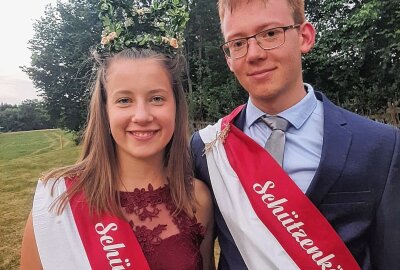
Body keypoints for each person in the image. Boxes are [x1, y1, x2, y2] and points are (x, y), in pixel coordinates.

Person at [190, 0, 400, 269]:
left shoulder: (380, 146)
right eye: (238, 42)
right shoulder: (207, 148)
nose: (253, 53)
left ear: (305, 37)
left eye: (270, 34)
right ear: (228, 59)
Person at [20, 48, 214, 270]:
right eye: (124, 100)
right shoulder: (59, 201)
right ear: (105, 109)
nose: (141, 116)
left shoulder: (197, 198)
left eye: (157, 98)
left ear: (176, 105)